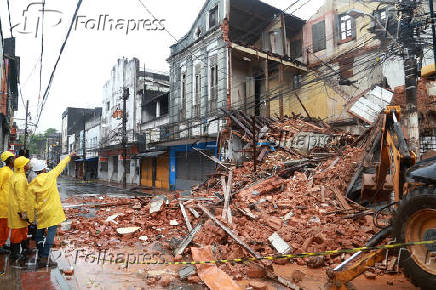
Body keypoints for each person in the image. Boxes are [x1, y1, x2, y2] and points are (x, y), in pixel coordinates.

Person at [29, 152, 75, 268]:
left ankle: (40, 253)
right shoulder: (51, 176)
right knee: (51, 231)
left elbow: (30, 201)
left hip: (41, 212)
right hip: (53, 211)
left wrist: (30, 217)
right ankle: (45, 256)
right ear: (44, 169)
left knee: (39, 232)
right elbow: (61, 165)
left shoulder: (32, 184)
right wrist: (69, 156)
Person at [8, 156, 32, 263]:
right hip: (19, 209)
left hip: (15, 208)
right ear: (23, 166)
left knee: (23, 229)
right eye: (27, 163)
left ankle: (25, 248)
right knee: (17, 231)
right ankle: (15, 253)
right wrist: (24, 212)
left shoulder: (16, 176)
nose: (29, 164)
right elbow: (21, 197)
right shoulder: (21, 179)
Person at [0, 151, 15, 254]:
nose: (14, 160)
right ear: (9, 160)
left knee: (6, 227)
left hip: (8, 205)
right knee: (1, 227)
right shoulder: (3, 172)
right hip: (2, 205)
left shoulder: (10, 171)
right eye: (13, 158)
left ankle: (3, 243)